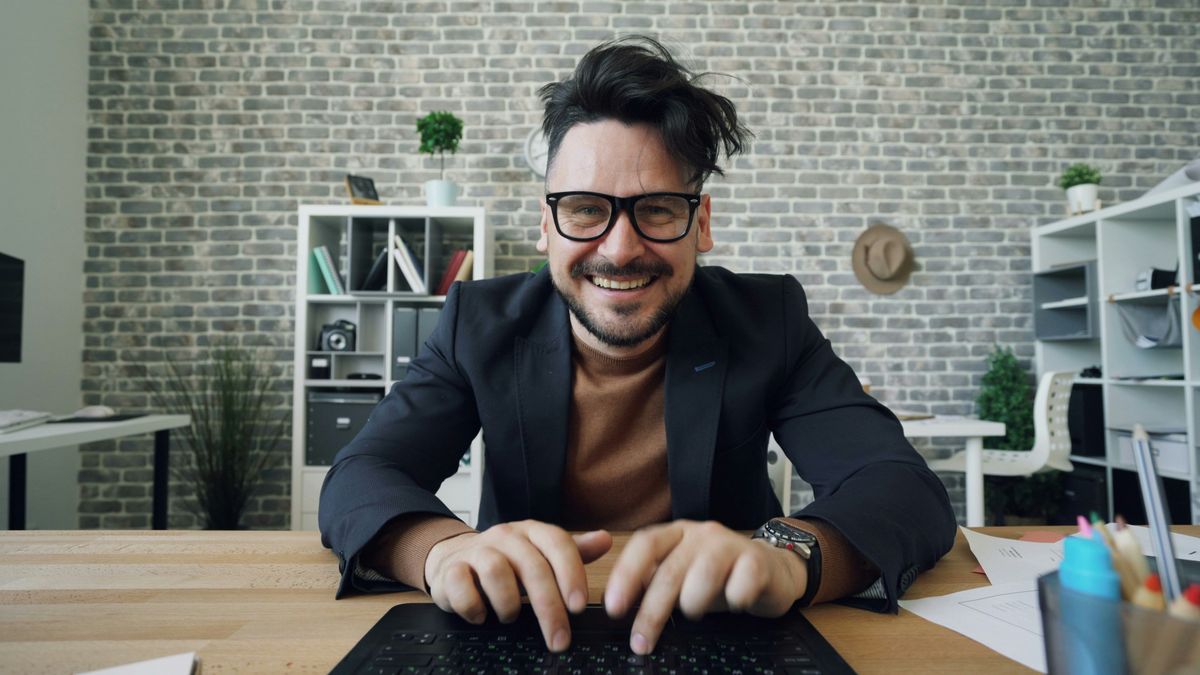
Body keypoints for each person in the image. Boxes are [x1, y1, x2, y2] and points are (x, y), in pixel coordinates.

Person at [320, 35, 957, 656]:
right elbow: (364, 476)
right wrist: (443, 551)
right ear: (547, 226)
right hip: (519, 632)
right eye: (585, 209)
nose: (620, 248)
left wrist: (787, 558)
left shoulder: (770, 320)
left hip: (726, 634)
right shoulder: (477, 323)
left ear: (700, 224)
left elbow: (899, 486)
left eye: (655, 209)